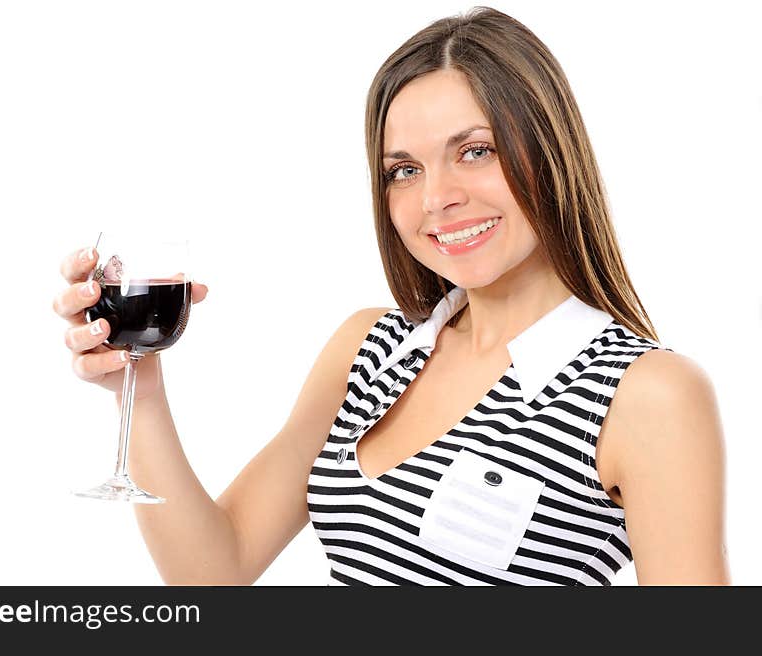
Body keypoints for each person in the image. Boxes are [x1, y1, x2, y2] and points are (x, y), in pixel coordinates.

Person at [52, 6, 730, 585]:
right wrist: (137, 383)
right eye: (404, 170)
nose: (436, 199)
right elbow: (216, 569)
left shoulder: (646, 393)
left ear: (549, 151)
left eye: (475, 151)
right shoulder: (368, 350)